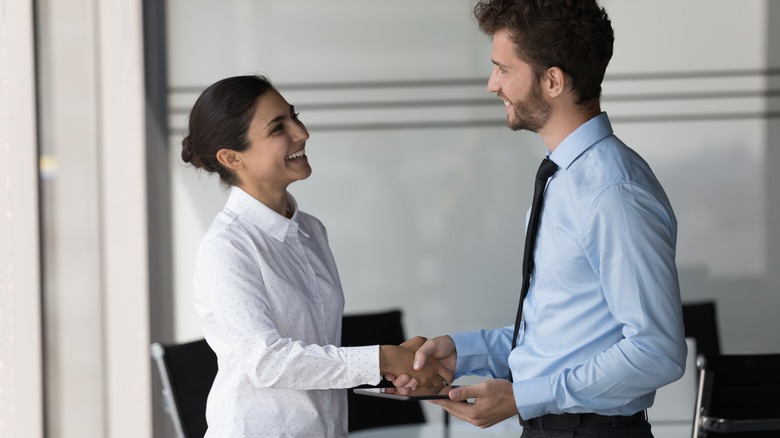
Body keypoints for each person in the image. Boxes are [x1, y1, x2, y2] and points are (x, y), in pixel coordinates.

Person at [390, 1, 688, 437]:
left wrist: (523, 396)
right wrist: (462, 352)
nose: (493, 85)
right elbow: (560, 332)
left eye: (504, 69)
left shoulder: (611, 192)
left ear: (552, 81)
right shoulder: (564, 178)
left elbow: (656, 350)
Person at [181, 74, 452, 437]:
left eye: (294, 116)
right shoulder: (227, 247)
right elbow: (266, 361)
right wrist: (384, 358)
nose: (301, 132)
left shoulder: (310, 231)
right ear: (232, 157)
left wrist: (400, 361)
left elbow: (319, 350)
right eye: (279, 127)